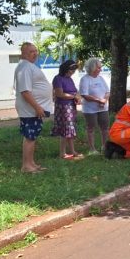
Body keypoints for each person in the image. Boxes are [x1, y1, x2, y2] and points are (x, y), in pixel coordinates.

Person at [14, 42, 54, 173]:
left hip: (33, 109)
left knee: (32, 136)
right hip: (30, 110)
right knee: (30, 137)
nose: (35, 53)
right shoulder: (25, 68)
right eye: (31, 51)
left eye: (36, 51)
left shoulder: (28, 66)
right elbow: (25, 91)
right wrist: (37, 107)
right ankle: (26, 166)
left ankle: (31, 163)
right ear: (23, 53)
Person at [51, 59, 83, 160]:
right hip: (63, 108)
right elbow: (59, 94)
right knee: (65, 129)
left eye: (74, 71)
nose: (72, 73)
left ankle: (72, 151)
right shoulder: (58, 78)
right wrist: (74, 97)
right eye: (71, 71)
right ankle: (62, 153)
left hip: (71, 106)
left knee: (70, 129)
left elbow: (75, 91)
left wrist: (78, 96)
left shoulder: (69, 79)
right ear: (66, 69)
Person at [79, 57, 110, 155]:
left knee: (105, 127)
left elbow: (107, 91)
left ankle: (104, 146)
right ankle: (92, 149)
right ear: (92, 68)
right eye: (99, 68)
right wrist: (98, 100)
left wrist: (104, 100)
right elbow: (84, 95)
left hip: (103, 108)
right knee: (91, 128)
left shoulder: (101, 78)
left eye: (100, 67)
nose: (100, 69)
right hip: (90, 109)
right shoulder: (85, 79)